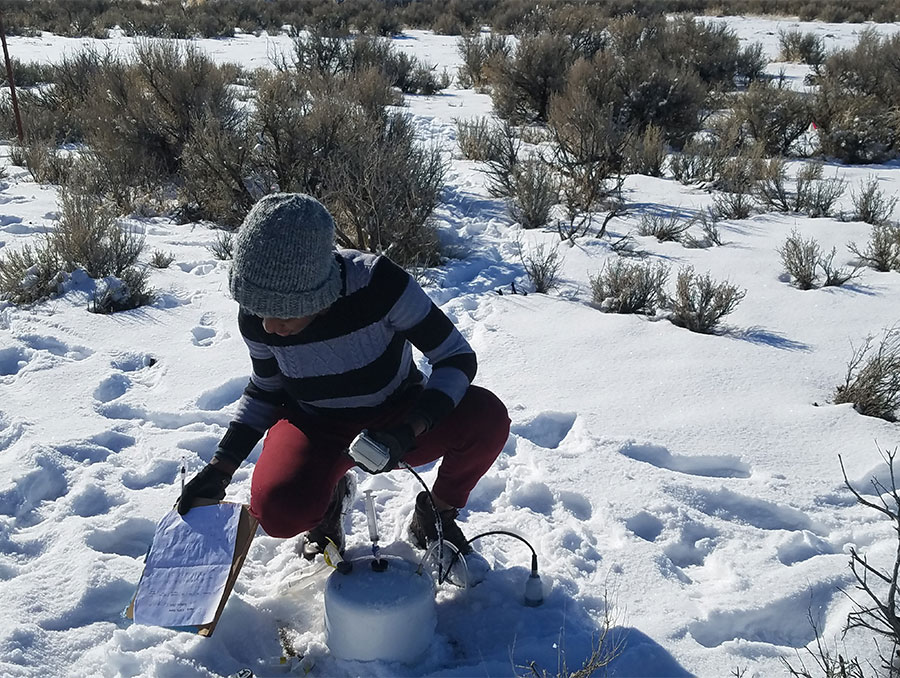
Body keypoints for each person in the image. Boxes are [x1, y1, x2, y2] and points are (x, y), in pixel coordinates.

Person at [177, 193, 510, 562]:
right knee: (277, 511)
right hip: (315, 425)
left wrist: (410, 429)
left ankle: (435, 514)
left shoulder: (378, 284)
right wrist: (220, 469)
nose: (269, 327)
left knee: (487, 418)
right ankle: (328, 502)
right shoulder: (259, 311)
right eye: (259, 312)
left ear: (319, 295)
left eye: (284, 314)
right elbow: (266, 390)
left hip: (396, 417)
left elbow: (455, 357)